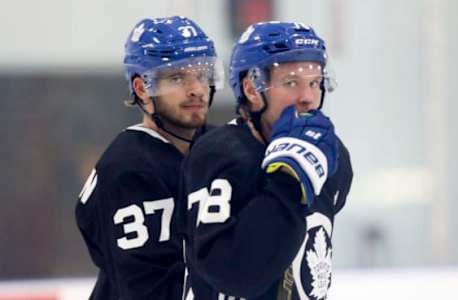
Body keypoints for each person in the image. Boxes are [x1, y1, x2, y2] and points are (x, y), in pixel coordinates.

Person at [179, 21, 353, 300]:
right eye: (291, 83)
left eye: (315, 83)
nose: (308, 97)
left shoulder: (333, 155)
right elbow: (233, 275)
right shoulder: (219, 154)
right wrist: (288, 181)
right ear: (251, 90)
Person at [75, 16, 223, 300]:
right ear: (142, 88)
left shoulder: (220, 148)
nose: (196, 88)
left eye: (203, 74)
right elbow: (151, 289)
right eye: (177, 77)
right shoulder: (128, 168)